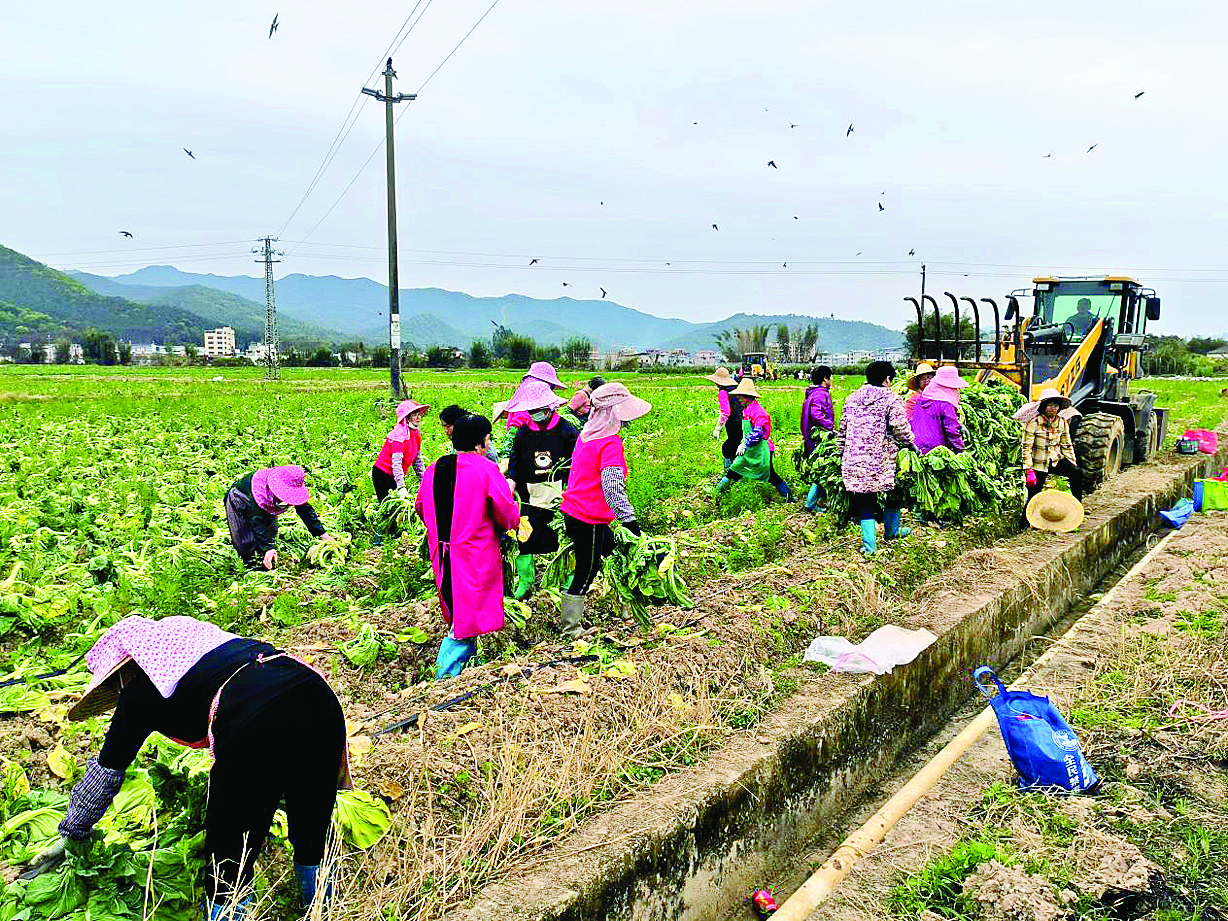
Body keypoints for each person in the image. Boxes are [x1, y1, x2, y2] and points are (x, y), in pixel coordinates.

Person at [32, 615, 348, 918]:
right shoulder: (208, 652)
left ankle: (231, 911)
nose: (117, 693)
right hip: (320, 698)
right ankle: (323, 906)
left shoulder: (141, 692)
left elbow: (107, 770)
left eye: (114, 685)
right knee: (312, 813)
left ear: (126, 670)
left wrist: (73, 831)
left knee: (228, 849)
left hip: (257, 721)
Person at [416, 415, 520, 678]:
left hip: (441, 553)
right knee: (466, 617)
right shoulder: (486, 469)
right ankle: (445, 677)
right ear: (480, 443)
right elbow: (506, 514)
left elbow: (420, 507)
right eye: (488, 439)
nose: (489, 444)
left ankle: (466, 666)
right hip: (474, 555)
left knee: (456, 608)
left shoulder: (434, 467)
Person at [558, 382, 652, 638]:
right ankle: (570, 628)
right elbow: (612, 486)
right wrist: (629, 520)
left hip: (579, 511)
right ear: (613, 413)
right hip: (587, 516)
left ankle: (625, 607)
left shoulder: (587, 436)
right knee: (587, 569)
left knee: (615, 553)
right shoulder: (610, 443)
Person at [505, 380, 580, 599]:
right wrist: (510, 486)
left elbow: (577, 464)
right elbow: (515, 465)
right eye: (531, 410)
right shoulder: (523, 434)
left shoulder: (566, 431)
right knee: (525, 537)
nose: (534, 414)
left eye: (538, 409)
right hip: (529, 495)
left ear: (549, 407)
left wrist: (573, 490)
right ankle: (525, 582)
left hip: (561, 495)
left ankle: (566, 581)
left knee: (563, 539)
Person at [837, 361, 917, 556]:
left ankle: (869, 547)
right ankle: (892, 531)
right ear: (887, 379)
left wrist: (841, 452)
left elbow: (842, 429)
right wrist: (911, 443)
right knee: (895, 489)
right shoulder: (891, 399)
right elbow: (900, 428)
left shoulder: (851, 398)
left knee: (865, 498)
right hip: (882, 458)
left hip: (855, 458)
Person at [224, 465, 334, 569]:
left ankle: (268, 561)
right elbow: (257, 520)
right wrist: (267, 549)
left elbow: (305, 510)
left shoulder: (292, 484)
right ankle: (251, 565)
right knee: (244, 539)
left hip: (265, 502)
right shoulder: (262, 491)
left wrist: (321, 533)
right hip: (239, 498)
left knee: (270, 532)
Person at [714, 378, 794, 500]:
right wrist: (743, 443)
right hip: (750, 448)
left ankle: (789, 496)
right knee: (735, 469)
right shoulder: (746, 410)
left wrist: (745, 443)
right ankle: (717, 493)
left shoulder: (758, 412)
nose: (738, 398)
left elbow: (758, 432)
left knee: (770, 475)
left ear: (747, 397)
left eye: (740, 396)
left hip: (761, 449)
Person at [1021, 388, 1085, 526]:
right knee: (1034, 493)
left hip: (1056, 460)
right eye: (1050, 405)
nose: (1053, 408)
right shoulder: (1034, 423)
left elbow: (1066, 444)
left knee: (1077, 473)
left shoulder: (1061, 422)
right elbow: (1026, 447)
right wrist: (1028, 469)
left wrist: (1072, 462)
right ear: (1043, 407)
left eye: (1056, 405)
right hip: (1039, 463)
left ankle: (1077, 508)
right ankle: (1025, 523)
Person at [371, 400, 428, 544]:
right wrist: (401, 486)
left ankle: (392, 534)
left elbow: (417, 460)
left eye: (418, 414)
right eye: (414, 415)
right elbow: (396, 464)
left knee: (397, 506)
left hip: (394, 475)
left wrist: (424, 480)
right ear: (406, 418)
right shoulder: (399, 436)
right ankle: (378, 537)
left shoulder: (415, 434)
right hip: (382, 473)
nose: (418, 417)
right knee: (386, 505)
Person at [910, 365, 968, 455]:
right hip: (935, 449)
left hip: (917, 446)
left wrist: (959, 425)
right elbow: (951, 430)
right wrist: (960, 451)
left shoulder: (922, 399)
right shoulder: (946, 403)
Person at [800, 365, 835, 511]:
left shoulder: (813, 393)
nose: (832, 380)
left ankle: (820, 500)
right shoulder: (821, 394)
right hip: (819, 438)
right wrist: (830, 427)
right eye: (831, 377)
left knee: (821, 469)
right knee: (822, 470)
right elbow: (816, 415)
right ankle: (811, 504)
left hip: (811, 436)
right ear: (825, 379)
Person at [706, 367, 744, 471]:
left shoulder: (723, 392)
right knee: (738, 445)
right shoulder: (737, 388)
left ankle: (730, 472)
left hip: (733, 423)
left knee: (729, 448)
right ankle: (737, 471)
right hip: (745, 421)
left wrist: (717, 428)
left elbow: (725, 412)